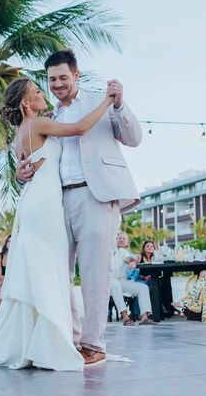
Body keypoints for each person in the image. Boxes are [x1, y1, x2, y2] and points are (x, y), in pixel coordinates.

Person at [0, 73, 117, 371]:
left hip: (35, 200)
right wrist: (107, 100)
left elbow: (29, 165)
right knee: (49, 271)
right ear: (27, 103)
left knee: (40, 270)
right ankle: (50, 343)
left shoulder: (22, 130)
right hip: (45, 204)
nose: (45, 93)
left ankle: (37, 341)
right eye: (38, 91)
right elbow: (80, 127)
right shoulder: (38, 124)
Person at [13, 49, 142, 366]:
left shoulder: (102, 101)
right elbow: (32, 160)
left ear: (76, 75)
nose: (56, 84)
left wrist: (119, 103)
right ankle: (67, 341)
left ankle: (93, 343)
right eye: (51, 79)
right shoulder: (46, 115)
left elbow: (134, 138)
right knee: (58, 274)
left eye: (62, 78)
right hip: (55, 202)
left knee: (95, 273)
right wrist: (20, 174)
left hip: (95, 195)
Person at [109, 232, 154, 326]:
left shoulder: (122, 251)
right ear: (114, 240)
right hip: (108, 282)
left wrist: (133, 262)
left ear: (127, 243)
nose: (120, 240)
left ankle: (144, 318)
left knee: (143, 288)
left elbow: (128, 258)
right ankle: (125, 318)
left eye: (123, 238)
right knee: (115, 285)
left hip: (122, 281)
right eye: (118, 238)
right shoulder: (106, 251)